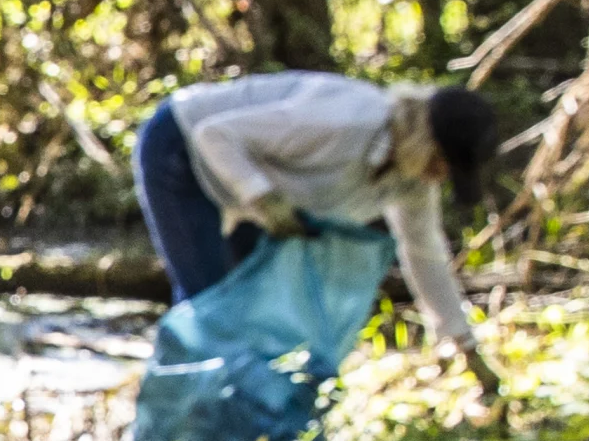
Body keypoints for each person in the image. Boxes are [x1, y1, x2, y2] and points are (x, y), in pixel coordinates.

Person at [134, 71, 498, 338]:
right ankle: (188, 409)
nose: (439, 178)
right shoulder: (345, 121)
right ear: (422, 136)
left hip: (252, 191)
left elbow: (424, 253)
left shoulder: (412, 180)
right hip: (182, 145)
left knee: (256, 305)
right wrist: (264, 198)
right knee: (210, 302)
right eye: (440, 163)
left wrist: (462, 341)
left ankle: (244, 409)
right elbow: (214, 134)